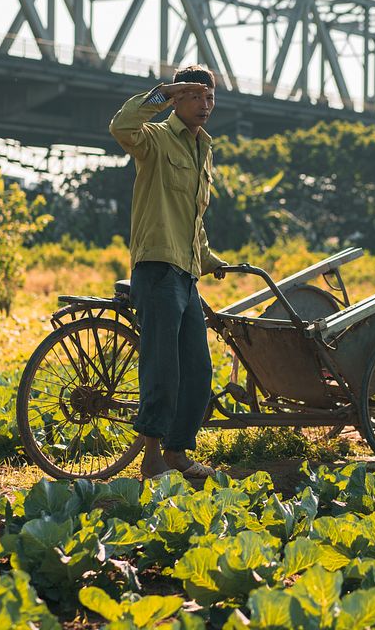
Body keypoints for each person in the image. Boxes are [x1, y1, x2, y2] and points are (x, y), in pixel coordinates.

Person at [109, 64, 227, 480]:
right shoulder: (156, 139)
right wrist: (163, 92)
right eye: (195, 95)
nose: (204, 104)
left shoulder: (203, 148)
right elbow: (122, 126)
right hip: (157, 268)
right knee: (162, 366)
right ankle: (152, 457)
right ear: (178, 98)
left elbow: (192, 219)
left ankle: (178, 452)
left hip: (186, 272)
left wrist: (209, 260)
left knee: (197, 369)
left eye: (209, 97)